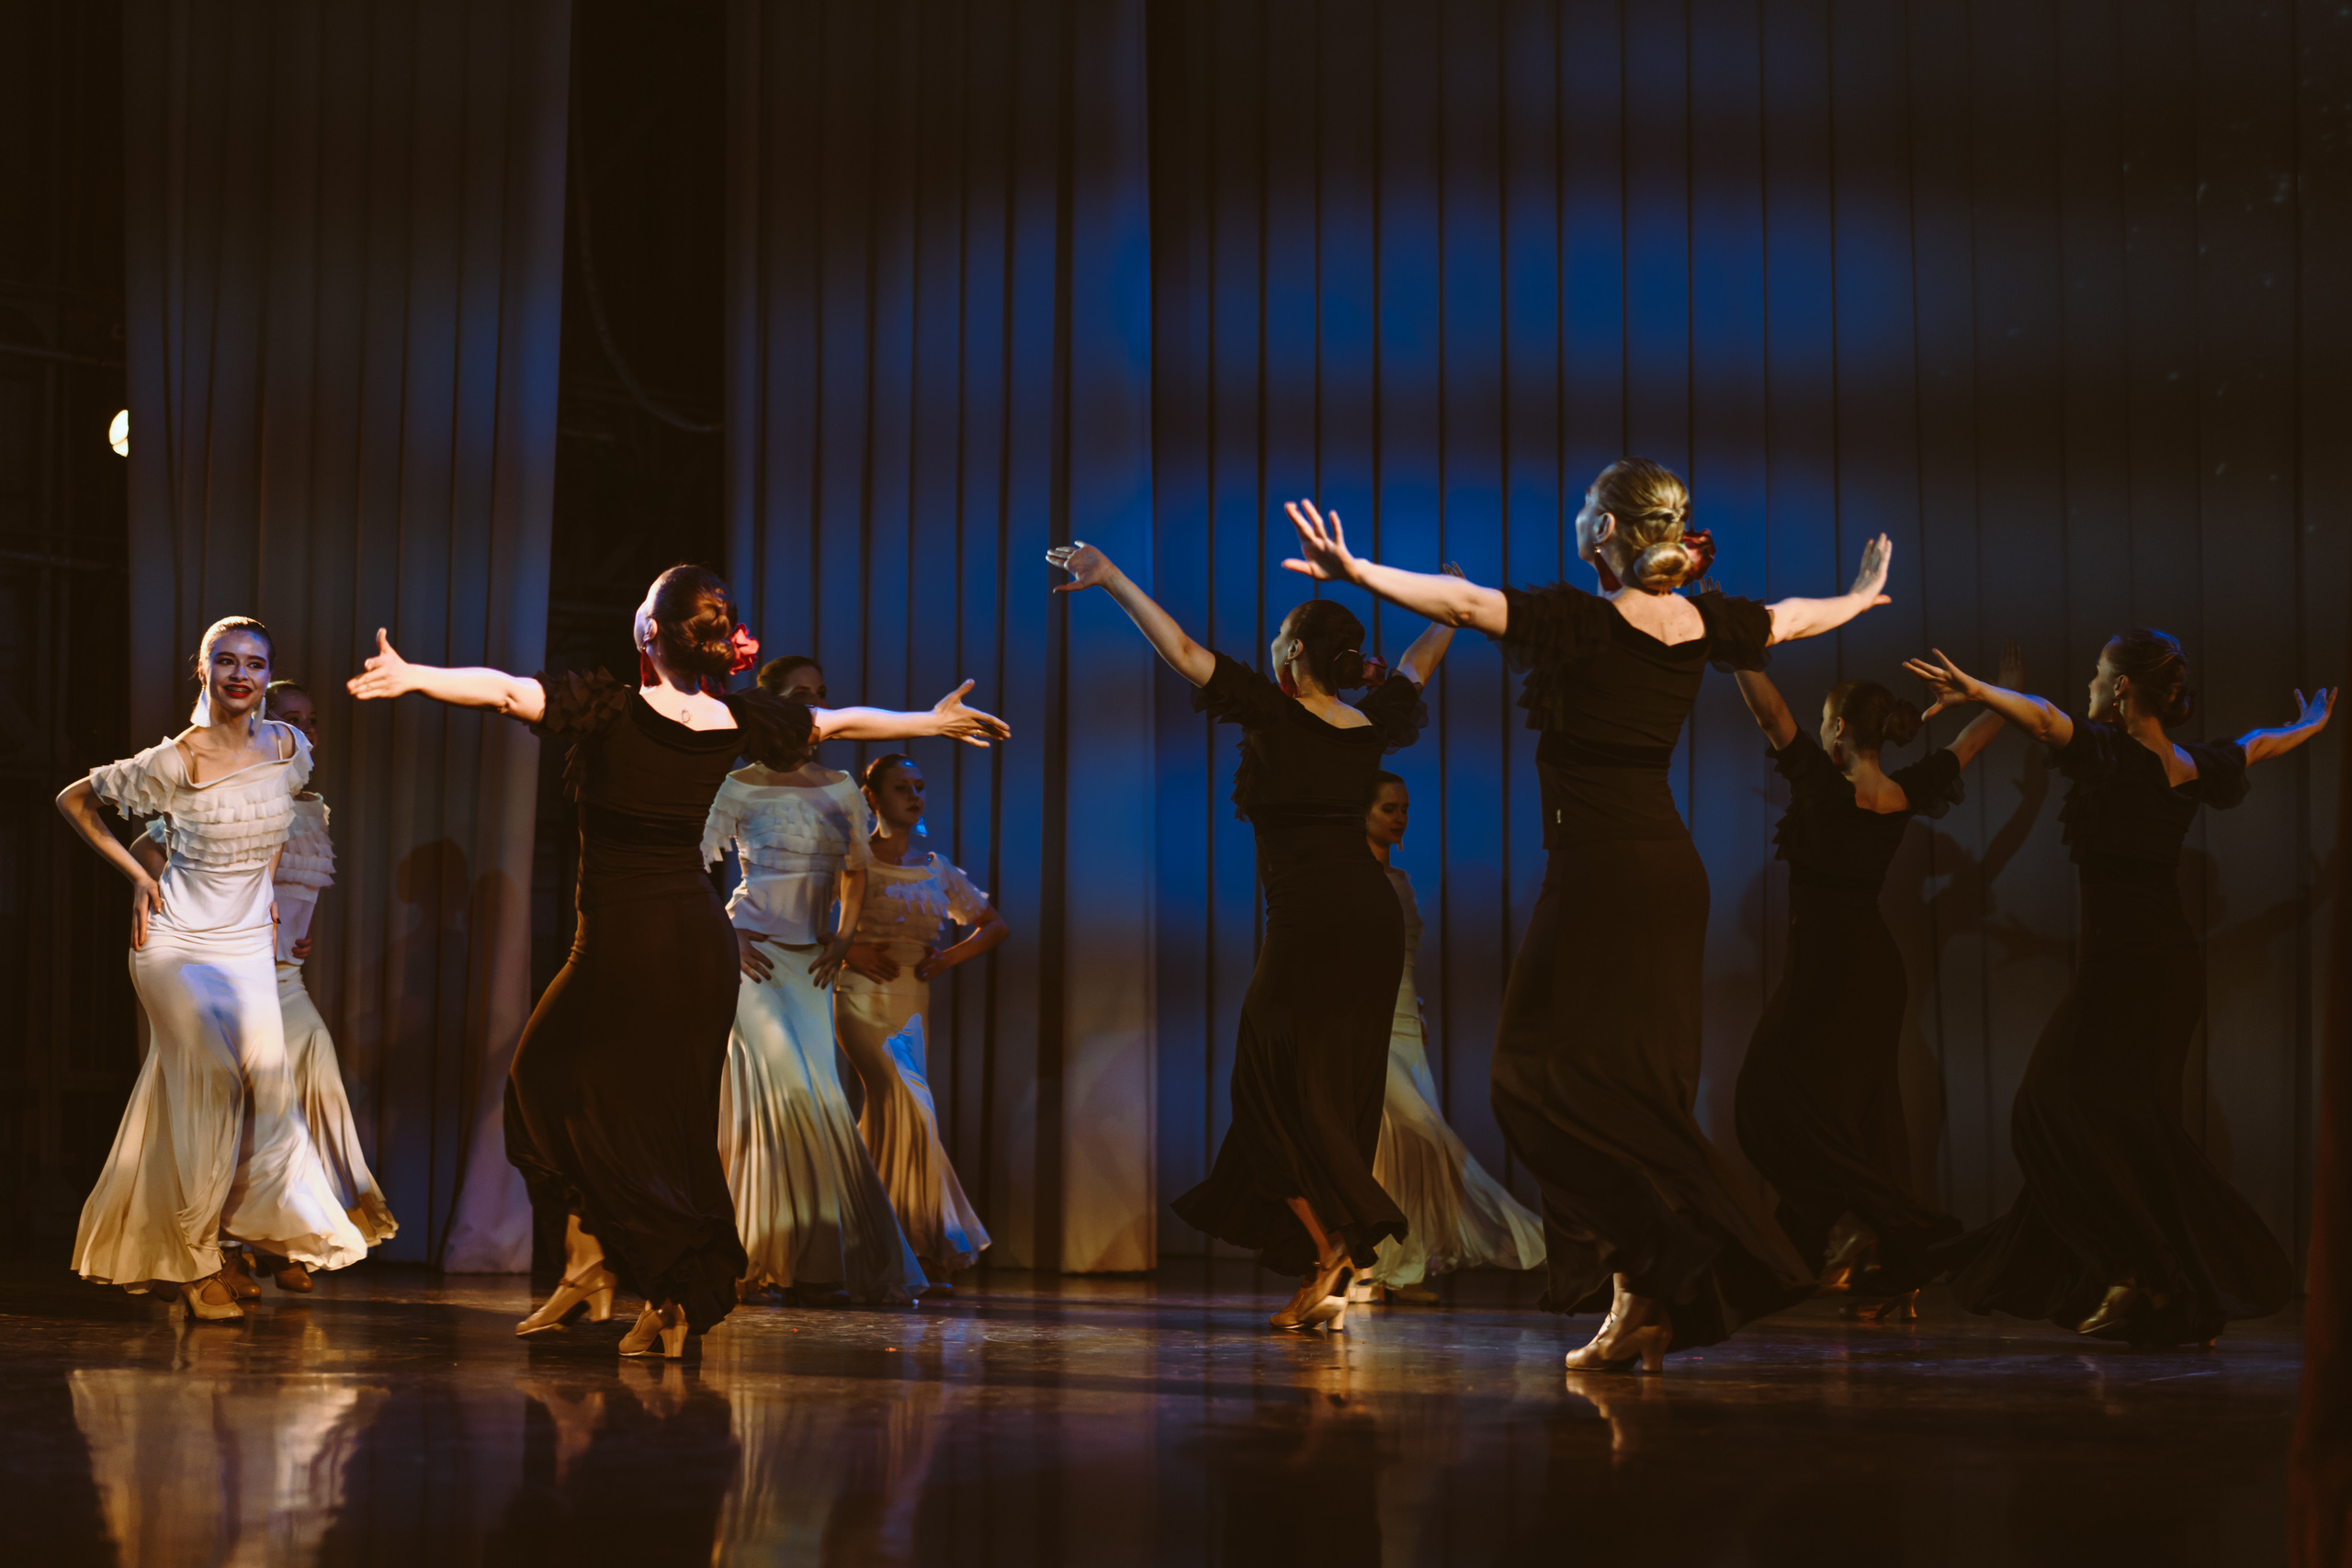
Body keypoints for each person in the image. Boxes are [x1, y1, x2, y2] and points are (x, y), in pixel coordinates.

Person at [1283, 458, 1893, 1371]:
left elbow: (1458, 603)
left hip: (1602, 874)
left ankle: (1673, 1263)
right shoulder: (1699, 621)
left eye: (1583, 512)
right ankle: (1639, 1301)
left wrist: (1359, 571)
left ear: (1606, 530)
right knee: (1621, 1091)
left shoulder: (1578, 623)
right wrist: (1857, 597)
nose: (1576, 521)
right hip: (1665, 875)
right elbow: (1794, 617)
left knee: (1529, 1080)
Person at [345, 565, 1009, 1358]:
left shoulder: (609, 710)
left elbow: (505, 691)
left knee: (546, 1087)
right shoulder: (742, 720)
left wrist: (413, 674)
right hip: (696, 944)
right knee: (671, 1124)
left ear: (647, 632)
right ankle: (642, 1281)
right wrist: (927, 723)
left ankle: (656, 1281)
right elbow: (836, 722)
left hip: (628, 939)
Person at [1047, 538, 1456, 1333]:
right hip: (1369, 919)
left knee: (1265, 1086)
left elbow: (1185, 652)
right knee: (1331, 1087)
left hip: (1310, 920)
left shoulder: (1275, 710)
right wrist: (1451, 599)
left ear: (1297, 652)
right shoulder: (1368, 722)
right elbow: (1419, 662)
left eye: (1278, 643)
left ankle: (1338, 1240)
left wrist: (1115, 576)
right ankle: (1328, 1252)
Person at [1905, 631, 2333, 1345]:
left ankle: (2150, 1272)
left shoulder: (2111, 754)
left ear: (2126, 687)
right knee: (2124, 1121)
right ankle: (2154, 1277)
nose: (2092, 687)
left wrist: (1979, 692)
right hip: (2163, 968)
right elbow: (2256, 744)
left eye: (2102, 676)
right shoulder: (2188, 764)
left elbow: (2042, 715)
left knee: (2051, 1103)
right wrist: (2305, 726)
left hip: (2131, 967)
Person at [59, 617, 371, 1320]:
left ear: (267, 674)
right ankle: (197, 1266)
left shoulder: (287, 747)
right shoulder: (178, 757)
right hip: (174, 942)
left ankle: (204, 1245)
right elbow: (73, 800)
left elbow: (270, 826)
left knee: (260, 1097)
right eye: (225, 661)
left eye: (255, 664)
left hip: (243, 946)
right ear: (202, 672)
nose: (241, 674)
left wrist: (261, 903)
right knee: (213, 1082)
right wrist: (140, 878)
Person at [1726, 647, 2017, 1318]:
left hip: (1829, 972)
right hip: (1874, 974)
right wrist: (2001, 691)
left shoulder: (1823, 788)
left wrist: (1736, 647)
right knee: (1855, 1121)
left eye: (1825, 720)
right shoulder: (1903, 792)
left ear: (1835, 730)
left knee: (1767, 1102)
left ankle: (1886, 1227)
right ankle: (1880, 1245)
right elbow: (1973, 740)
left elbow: (1769, 710)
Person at [130, 679, 399, 1297]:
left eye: (310, 718)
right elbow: (151, 845)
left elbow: (293, 889)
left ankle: (275, 1234)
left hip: (283, 976)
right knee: (234, 1110)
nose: (301, 727)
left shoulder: (310, 804)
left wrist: (294, 936)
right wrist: (156, 900)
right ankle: (222, 1246)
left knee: (308, 1089)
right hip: (223, 977)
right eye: (288, 716)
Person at [705, 662, 927, 1306]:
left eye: (821, 693)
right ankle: (769, 1253)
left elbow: (856, 870)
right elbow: (688, 865)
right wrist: (730, 937)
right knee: (795, 1097)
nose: (817, 704)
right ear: (771, 707)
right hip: (752, 961)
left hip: (812, 964)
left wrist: (844, 934)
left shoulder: (837, 787)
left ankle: (820, 1258)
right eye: (802, 694)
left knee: (814, 1095)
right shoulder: (739, 785)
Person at [1351, 771, 1546, 1303]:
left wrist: (1416, 1008)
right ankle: (1523, 1236)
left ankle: (1396, 1270)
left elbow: (1404, 960)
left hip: (1407, 1024)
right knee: (1419, 1132)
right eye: (1389, 808)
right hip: (1366, 1025)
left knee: (1400, 1150)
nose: (1400, 818)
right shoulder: (1352, 879)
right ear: (1363, 812)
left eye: (1405, 809)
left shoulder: (1402, 880)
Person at [835, 753, 1006, 1291]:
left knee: (892, 1120)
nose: (914, 795)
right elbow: (812, 919)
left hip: (912, 1002)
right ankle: (914, 1245)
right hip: (860, 998)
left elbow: (992, 924)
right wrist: (849, 953)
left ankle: (880, 1247)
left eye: (919, 785)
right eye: (901, 786)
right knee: (912, 1106)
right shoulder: (853, 858)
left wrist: (948, 958)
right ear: (873, 798)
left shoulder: (937, 866)